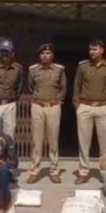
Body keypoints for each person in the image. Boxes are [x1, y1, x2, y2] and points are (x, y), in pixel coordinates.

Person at [73, 39, 106, 185]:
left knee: (105, 143)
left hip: (104, 107)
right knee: (83, 142)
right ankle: (83, 171)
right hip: (85, 106)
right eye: (90, 49)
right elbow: (77, 85)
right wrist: (77, 105)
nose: (92, 52)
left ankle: (104, 171)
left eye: (95, 49)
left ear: (102, 50)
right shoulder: (83, 66)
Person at [27, 43, 67, 184]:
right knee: (36, 141)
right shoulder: (33, 70)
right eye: (42, 53)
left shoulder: (59, 70)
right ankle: (34, 170)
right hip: (37, 105)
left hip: (53, 106)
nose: (45, 56)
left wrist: (58, 100)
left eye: (48, 53)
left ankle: (54, 171)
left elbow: (63, 87)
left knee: (53, 140)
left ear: (52, 55)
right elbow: (30, 86)